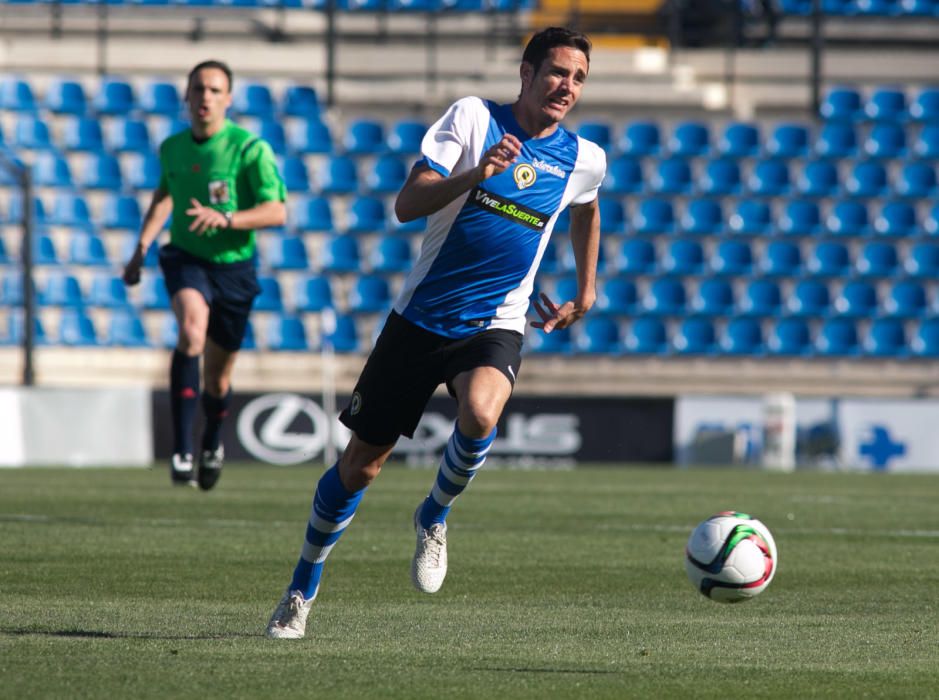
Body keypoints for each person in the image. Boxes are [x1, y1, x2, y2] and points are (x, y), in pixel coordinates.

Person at [265, 26, 606, 639]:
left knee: (480, 413)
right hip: (420, 320)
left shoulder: (584, 158)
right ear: (525, 73)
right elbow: (408, 202)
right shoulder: (473, 118)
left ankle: (434, 514)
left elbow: (587, 207)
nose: (567, 86)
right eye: (557, 72)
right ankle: (301, 587)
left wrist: (587, 288)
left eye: (579, 78)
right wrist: (476, 174)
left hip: (497, 321)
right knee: (360, 468)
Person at [123, 60, 287, 490]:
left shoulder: (250, 149)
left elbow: (277, 211)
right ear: (187, 96)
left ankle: (211, 440)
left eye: (215, 90)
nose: (206, 97)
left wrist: (227, 218)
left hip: (234, 267)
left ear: (228, 99)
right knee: (191, 332)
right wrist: (141, 246)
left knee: (217, 377)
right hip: (186, 256)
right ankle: (181, 449)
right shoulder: (173, 147)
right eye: (199, 89)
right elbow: (165, 196)